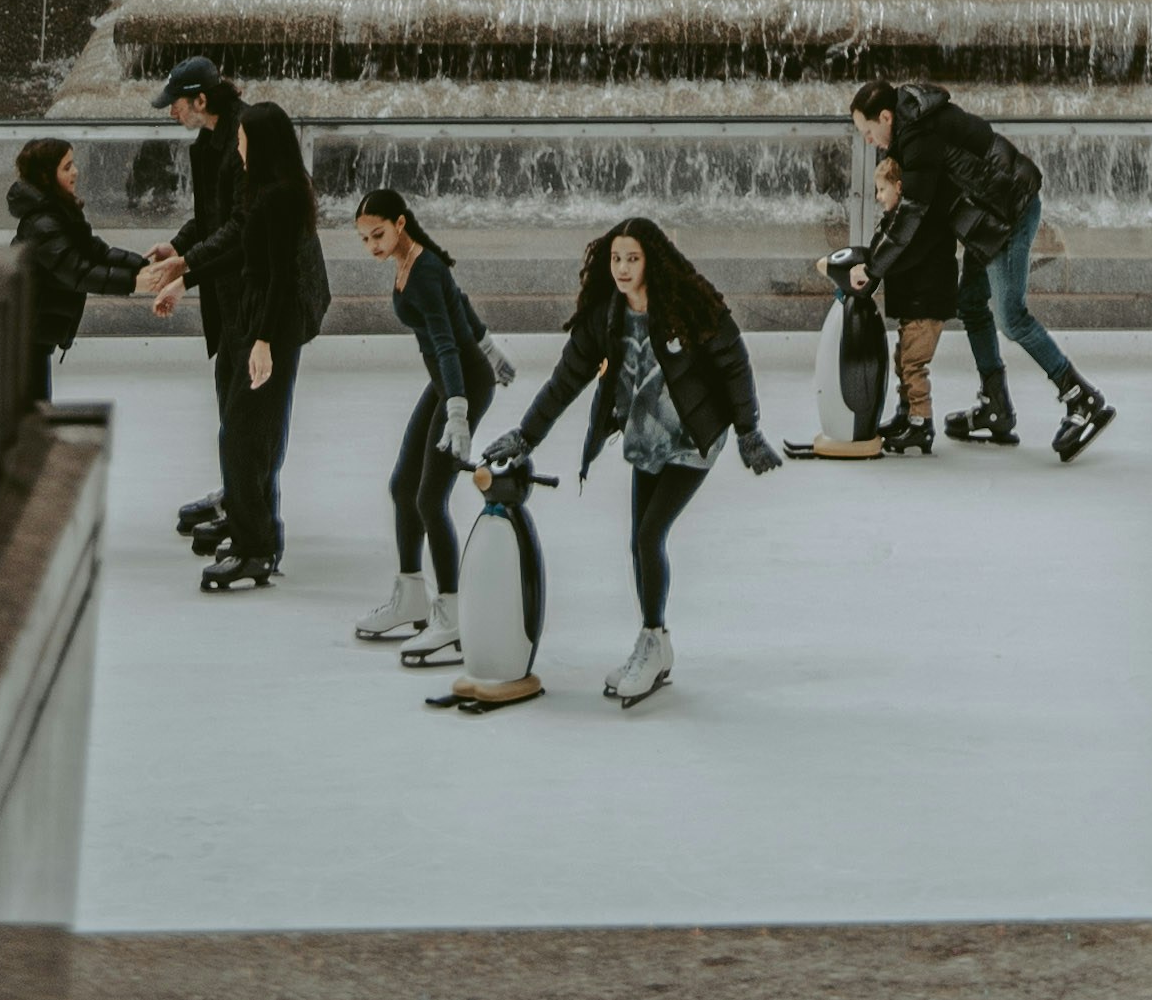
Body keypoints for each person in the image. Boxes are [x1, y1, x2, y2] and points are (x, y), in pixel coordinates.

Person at [489, 213, 779, 709]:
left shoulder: (687, 305)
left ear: (652, 262)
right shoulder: (607, 318)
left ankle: (651, 640)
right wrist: (526, 436)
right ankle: (656, 643)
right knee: (638, 541)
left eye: (632, 259)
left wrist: (749, 430)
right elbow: (564, 382)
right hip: (646, 441)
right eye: (615, 258)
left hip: (693, 440)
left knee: (649, 535)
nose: (622, 268)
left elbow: (733, 361)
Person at [850, 67, 1117, 462]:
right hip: (984, 219)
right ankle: (996, 407)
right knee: (972, 304)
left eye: (867, 130)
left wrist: (873, 269)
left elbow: (910, 215)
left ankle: (1082, 398)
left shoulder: (919, 136)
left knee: (1012, 317)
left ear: (886, 117)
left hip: (1007, 212)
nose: (867, 140)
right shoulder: (914, 128)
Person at [151, 52, 325, 592]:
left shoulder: (258, 159)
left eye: (176, 104)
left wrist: (264, 338)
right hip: (243, 302)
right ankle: (244, 510)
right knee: (237, 417)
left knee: (250, 427)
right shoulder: (226, 150)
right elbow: (220, 223)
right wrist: (184, 256)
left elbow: (254, 250)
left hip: (266, 309)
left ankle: (255, 539)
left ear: (200, 99)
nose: (172, 113)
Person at [351, 184, 498, 665]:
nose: (373, 246)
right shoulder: (412, 262)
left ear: (400, 225)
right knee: (402, 486)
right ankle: (411, 594)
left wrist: (458, 408)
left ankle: (453, 618)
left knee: (430, 498)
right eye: (365, 240)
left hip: (461, 384)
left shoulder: (424, 269)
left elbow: (446, 341)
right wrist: (491, 346)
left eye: (378, 235)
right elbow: (460, 303)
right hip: (446, 381)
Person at [829, 142, 958, 459]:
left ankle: (920, 422)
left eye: (881, 190)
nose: (877, 197)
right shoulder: (901, 220)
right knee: (904, 361)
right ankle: (905, 414)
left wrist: (872, 267)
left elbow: (895, 256)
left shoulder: (912, 223)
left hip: (925, 309)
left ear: (899, 187)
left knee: (913, 365)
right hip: (915, 308)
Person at [4, 134, 147, 396]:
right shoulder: (42, 223)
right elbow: (77, 272)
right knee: (33, 412)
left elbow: (95, 251)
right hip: (25, 337)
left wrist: (144, 266)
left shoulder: (59, 212)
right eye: (67, 167)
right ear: (47, 176)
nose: (76, 172)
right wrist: (134, 282)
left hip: (34, 335)